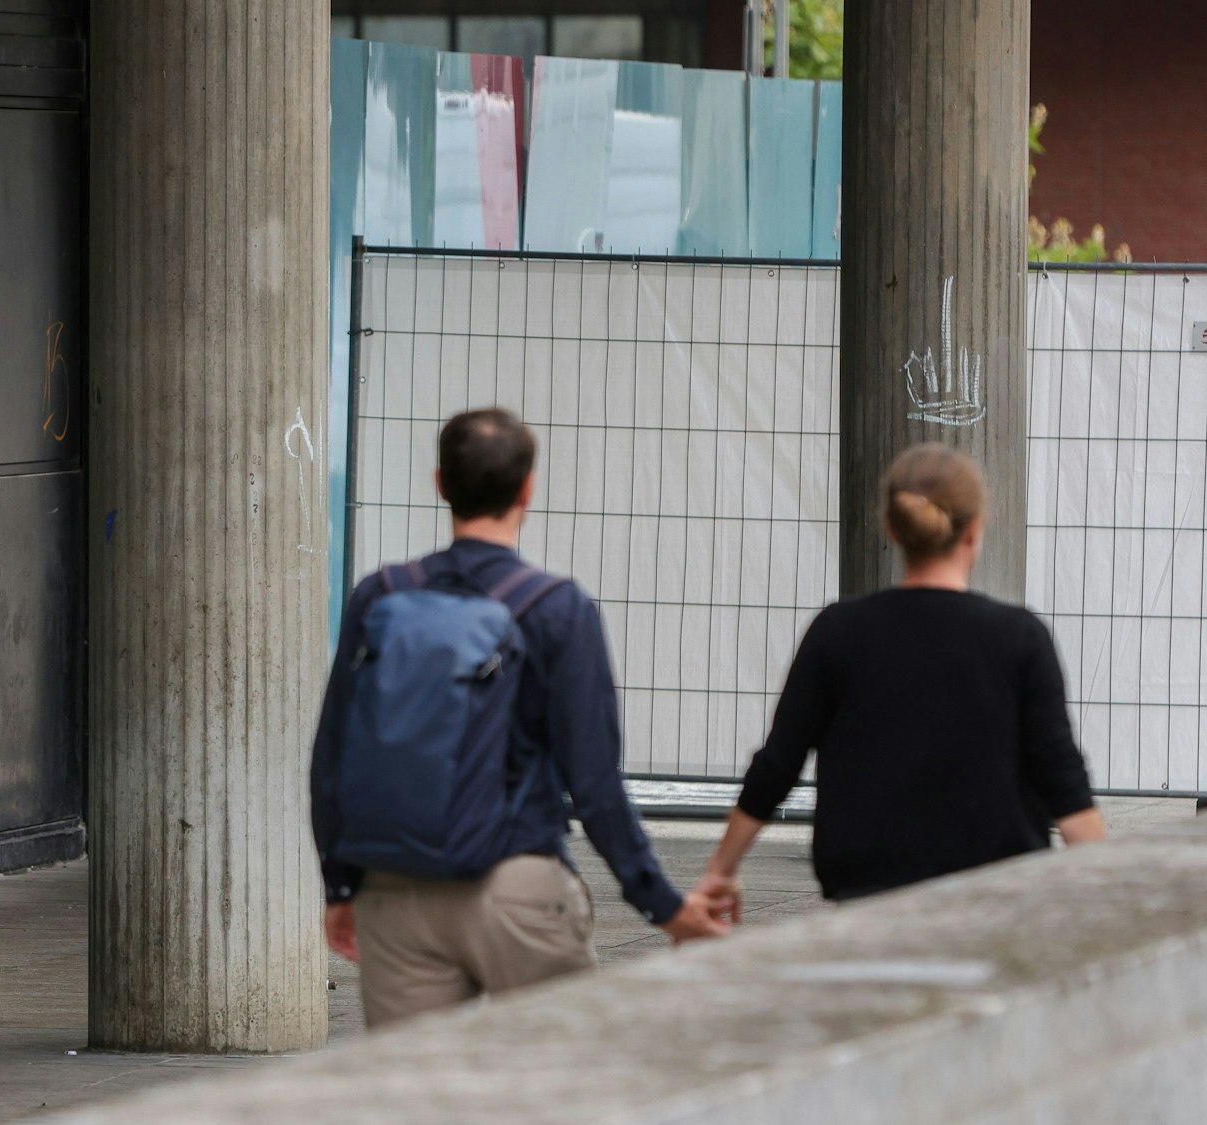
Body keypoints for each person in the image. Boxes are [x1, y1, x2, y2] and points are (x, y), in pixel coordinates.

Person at [311, 407, 729, 1030]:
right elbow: (594, 782)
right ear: (527, 489)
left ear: (441, 483)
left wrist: (342, 887)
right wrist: (662, 905)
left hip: (396, 890)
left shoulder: (381, 595)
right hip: (518, 887)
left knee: (417, 1083)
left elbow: (331, 758)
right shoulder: (557, 608)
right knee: (554, 1077)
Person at [693, 443, 1106, 919]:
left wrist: (719, 872)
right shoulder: (1020, 637)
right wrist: (1112, 891)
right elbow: (1061, 775)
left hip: (868, 897)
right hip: (995, 902)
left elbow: (778, 765)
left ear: (892, 528)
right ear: (975, 532)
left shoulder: (838, 631)